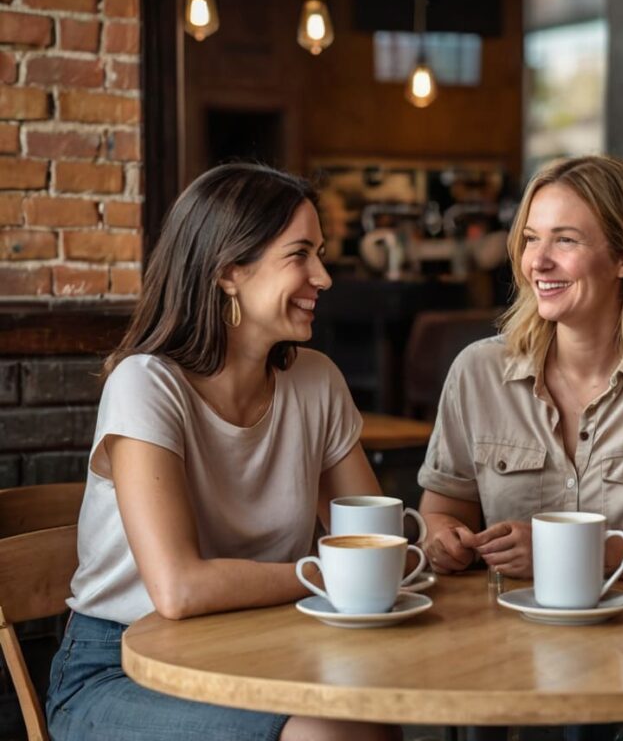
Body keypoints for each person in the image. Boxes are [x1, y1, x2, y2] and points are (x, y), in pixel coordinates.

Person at [45, 163, 398, 741]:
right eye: (300, 255)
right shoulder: (145, 384)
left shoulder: (316, 381)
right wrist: (331, 574)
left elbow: (372, 546)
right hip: (121, 669)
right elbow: (179, 590)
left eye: (321, 254)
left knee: (376, 716)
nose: (324, 277)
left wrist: (425, 546)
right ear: (230, 271)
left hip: (262, 648)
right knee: (333, 732)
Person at [418, 154, 623, 580]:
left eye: (566, 240)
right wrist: (445, 541)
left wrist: (569, 554)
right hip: (503, 632)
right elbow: (441, 512)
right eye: (531, 238)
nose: (538, 261)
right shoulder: (477, 371)